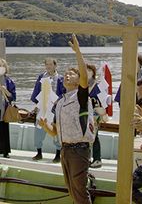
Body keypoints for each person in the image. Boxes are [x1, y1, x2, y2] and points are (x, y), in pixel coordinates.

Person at [42, 34, 94, 204]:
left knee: (80, 191)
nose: (67, 76)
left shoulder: (81, 96)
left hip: (79, 149)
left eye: (72, 74)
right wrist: (45, 126)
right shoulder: (60, 102)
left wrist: (77, 51)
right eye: (66, 74)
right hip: (65, 149)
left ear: (80, 80)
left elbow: (85, 76)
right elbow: (54, 132)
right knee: (72, 190)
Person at [31, 58, 64, 162]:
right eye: (47, 64)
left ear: (55, 66)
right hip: (42, 108)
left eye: (51, 64)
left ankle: (58, 154)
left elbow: (63, 94)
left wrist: (58, 101)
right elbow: (36, 92)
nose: (48, 66)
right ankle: (39, 153)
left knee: (55, 131)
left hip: (54, 109)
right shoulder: (41, 77)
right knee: (39, 131)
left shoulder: (60, 78)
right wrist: (37, 105)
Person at [86, 64, 107, 169]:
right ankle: (88, 158)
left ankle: (97, 159)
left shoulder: (97, 85)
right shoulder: (83, 84)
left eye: (89, 70)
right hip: (85, 114)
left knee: (94, 136)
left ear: (93, 72)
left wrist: (103, 114)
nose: (87, 72)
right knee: (86, 136)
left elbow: (103, 101)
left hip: (95, 114)